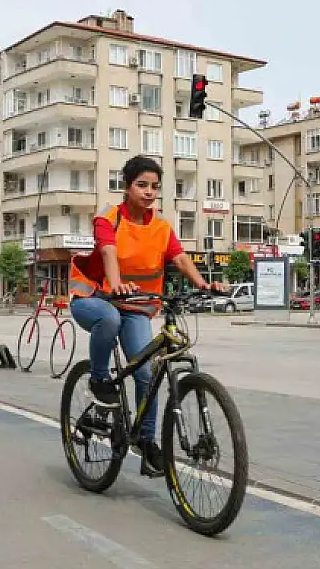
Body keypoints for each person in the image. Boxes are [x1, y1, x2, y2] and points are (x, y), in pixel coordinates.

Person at [68, 155, 225, 477]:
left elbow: (179, 258)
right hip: (93, 297)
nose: (149, 192)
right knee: (109, 319)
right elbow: (109, 251)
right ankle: (100, 380)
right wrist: (113, 284)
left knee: (147, 374)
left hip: (137, 305)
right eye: (142, 185)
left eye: (155, 186)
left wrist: (204, 283)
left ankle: (147, 441)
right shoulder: (108, 218)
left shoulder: (161, 227)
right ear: (127, 187)